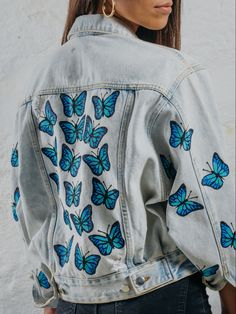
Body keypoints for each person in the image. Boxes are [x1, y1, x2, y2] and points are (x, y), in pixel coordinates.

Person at [10, 0, 235, 314]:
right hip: (162, 296)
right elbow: (209, 201)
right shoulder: (170, 72)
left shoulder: (38, 80)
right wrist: (229, 289)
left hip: (72, 301)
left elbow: (31, 203)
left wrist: (50, 294)